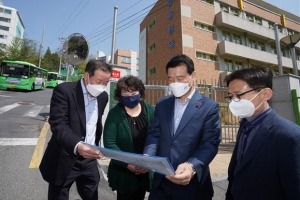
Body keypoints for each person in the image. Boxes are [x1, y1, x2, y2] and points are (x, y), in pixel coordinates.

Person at [143, 54, 221, 200]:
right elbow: (155, 134)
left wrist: (191, 166)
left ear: (193, 76)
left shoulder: (209, 107)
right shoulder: (163, 103)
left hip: (192, 184)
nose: (174, 83)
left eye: (180, 78)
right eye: (170, 79)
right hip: (161, 182)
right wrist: (148, 156)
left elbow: (210, 143)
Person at [39, 60, 112, 200]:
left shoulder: (103, 97)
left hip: (89, 160)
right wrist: (78, 145)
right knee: (59, 195)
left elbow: (94, 124)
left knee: (91, 194)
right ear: (86, 76)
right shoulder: (64, 91)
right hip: (64, 157)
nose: (102, 86)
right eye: (99, 81)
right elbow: (58, 124)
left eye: (106, 82)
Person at [224, 67, 300, 200]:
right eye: (230, 97)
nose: (233, 101)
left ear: (265, 94)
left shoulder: (289, 135)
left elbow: (294, 189)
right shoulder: (245, 125)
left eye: (239, 95)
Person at [103, 75, 154, 200]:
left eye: (133, 92)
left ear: (140, 92)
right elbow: (109, 143)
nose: (130, 96)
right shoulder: (115, 113)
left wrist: (147, 164)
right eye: (125, 93)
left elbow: (156, 137)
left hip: (146, 169)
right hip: (123, 171)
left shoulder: (150, 110)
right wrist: (128, 164)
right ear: (119, 95)